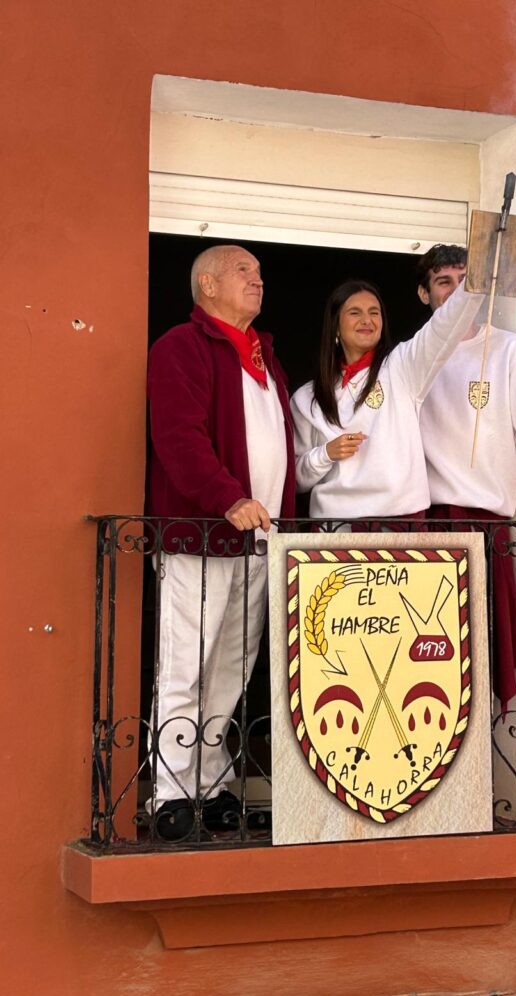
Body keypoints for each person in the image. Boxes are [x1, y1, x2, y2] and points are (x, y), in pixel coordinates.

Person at [146, 244, 295, 839]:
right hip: (203, 536)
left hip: (257, 543)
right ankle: (169, 792)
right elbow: (178, 437)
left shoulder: (265, 361)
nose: (257, 280)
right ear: (207, 285)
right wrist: (227, 498)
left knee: (231, 671)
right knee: (186, 665)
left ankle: (209, 785)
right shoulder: (180, 347)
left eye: (260, 273)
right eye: (243, 271)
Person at [415, 244, 516, 705]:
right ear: (424, 293)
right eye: (444, 282)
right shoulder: (411, 358)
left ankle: (480, 753)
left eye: (466, 282)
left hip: (485, 527)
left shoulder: (509, 351)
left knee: (479, 659)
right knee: (423, 662)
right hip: (423, 526)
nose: (457, 292)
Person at [290, 278, 483, 521]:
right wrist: (325, 454)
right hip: (334, 526)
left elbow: (444, 325)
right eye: (355, 312)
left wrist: (478, 274)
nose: (367, 320)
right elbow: (295, 481)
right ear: (335, 326)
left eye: (374, 312)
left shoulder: (402, 367)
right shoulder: (306, 398)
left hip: (400, 524)